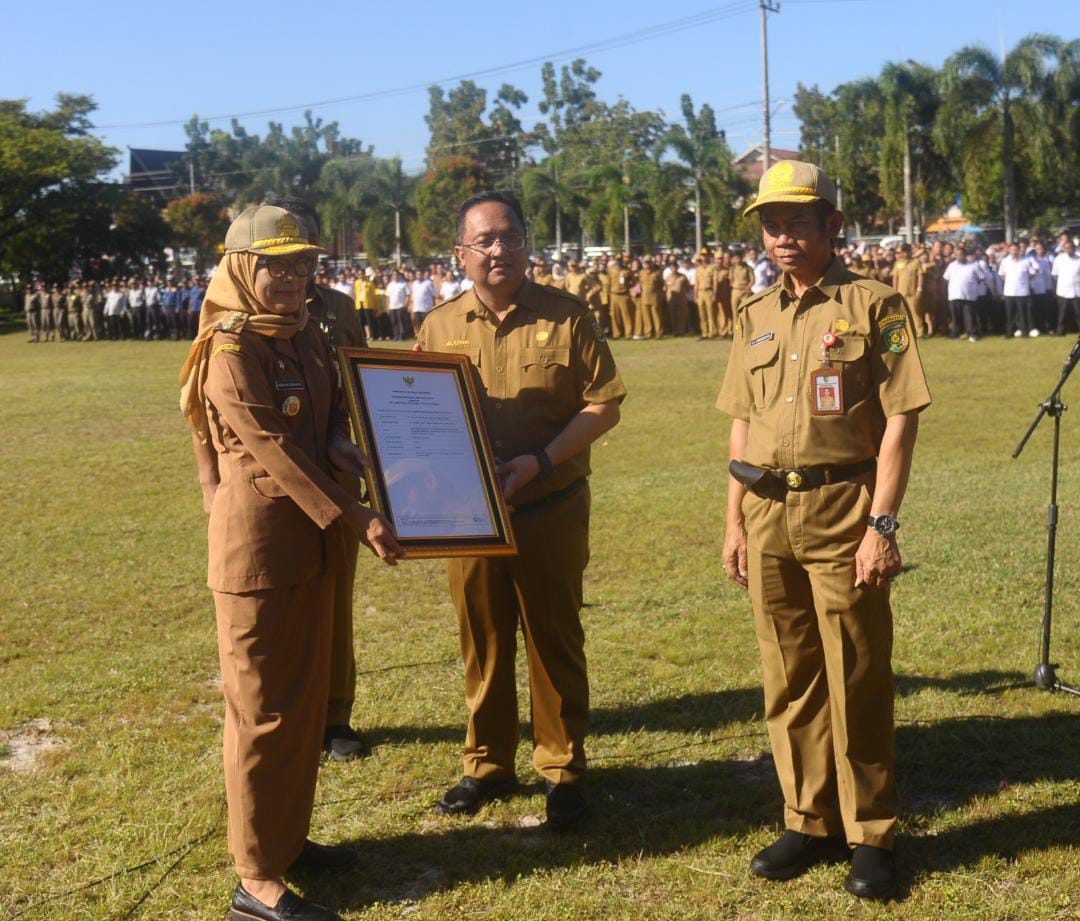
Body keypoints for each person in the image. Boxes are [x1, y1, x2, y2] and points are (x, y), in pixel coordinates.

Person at [180, 203, 402, 921]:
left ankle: (288, 841)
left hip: (312, 541)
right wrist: (359, 513)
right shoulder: (231, 347)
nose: (295, 277)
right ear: (244, 269)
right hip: (260, 550)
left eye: (304, 263)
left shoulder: (305, 330)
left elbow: (324, 417)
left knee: (304, 706)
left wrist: (341, 443)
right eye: (278, 265)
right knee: (262, 711)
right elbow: (269, 451)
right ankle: (256, 876)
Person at [717, 161, 931, 900]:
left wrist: (882, 522)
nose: (782, 237)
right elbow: (741, 425)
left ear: (831, 225)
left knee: (858, 673)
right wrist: (733, 522)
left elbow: (901, 415)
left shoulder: (876, 305)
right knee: (788, 674)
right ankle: (808, 818)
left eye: (796, 222)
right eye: (771, 224)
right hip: (767, 509)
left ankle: (870, 830)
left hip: (844, 507)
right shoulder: (756, 315)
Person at [417, 191, 625, 830]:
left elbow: (603, 405)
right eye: (483, 241)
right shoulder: (438, 326)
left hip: (549, 505)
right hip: (469, 515)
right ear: (461, 253)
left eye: (509, 236)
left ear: (527, 244)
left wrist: (540, 459)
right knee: (481, 639)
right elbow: (416, 413)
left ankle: (561, 768)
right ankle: (486, 764)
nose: (498, 250)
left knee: (552, 636)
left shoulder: (566, 317)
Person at [269, 195, 372, 762]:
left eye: (303, 249)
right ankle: (284, 713)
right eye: (280, 253)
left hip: (334, 472)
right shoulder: (236, 313)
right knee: (278, 601)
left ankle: (335, 717)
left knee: (334, 598)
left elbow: (358, 383)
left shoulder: (336, 309)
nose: (293, 265)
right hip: (269, 481)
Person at [1052, 237, 1080, 334]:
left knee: (1078, 313)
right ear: (1064, 248)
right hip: (1063, 291)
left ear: (1074, 248)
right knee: (1062, 313)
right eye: (1067, 248)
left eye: (1071, 248)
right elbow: (1055, 275)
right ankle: (1060, 331)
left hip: (1077, 290)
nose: (1069, 250)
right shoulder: (1058, 259)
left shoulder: (1078, 259)